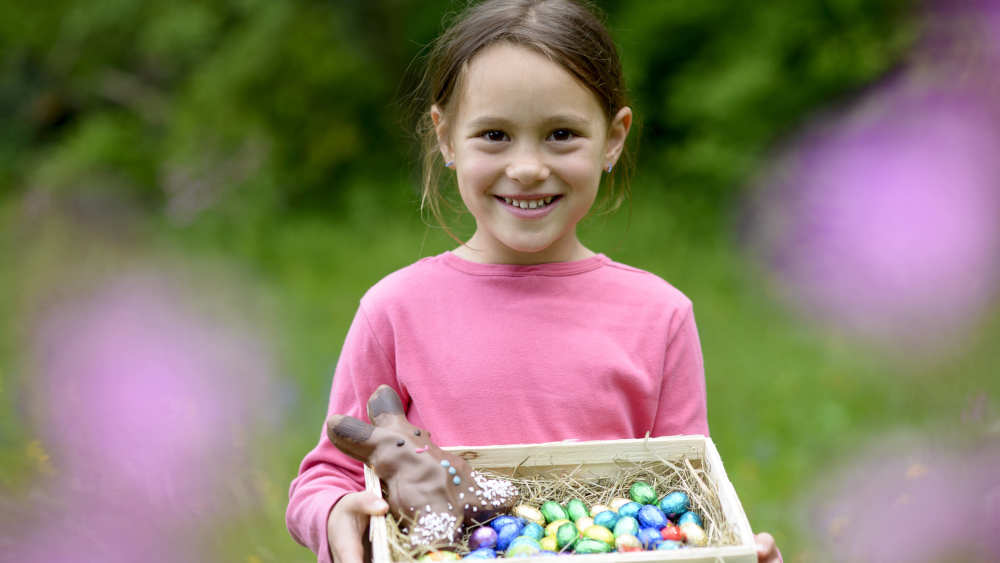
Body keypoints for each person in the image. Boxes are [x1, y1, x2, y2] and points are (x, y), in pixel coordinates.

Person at [286, 1, 781, 562]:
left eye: (561, 134)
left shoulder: (658, 315)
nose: (526, 167)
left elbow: (686, 493)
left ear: (613, 138)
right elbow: (329, 474)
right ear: (446, 137)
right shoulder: (396, 310)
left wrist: (735, 553)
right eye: (495, 134)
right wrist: (336, 514)